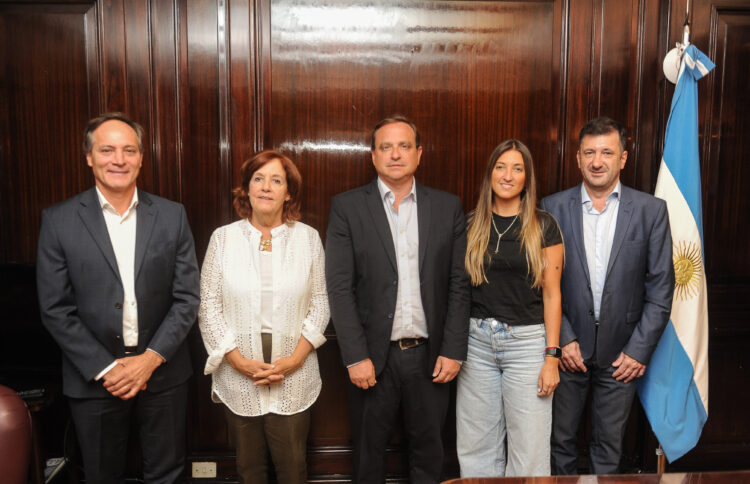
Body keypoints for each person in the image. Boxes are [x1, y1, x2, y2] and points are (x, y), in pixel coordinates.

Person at [36, 112, 200, 483]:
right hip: (94, 379)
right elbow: (55, 309)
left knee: (167, 475)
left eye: (129, 150)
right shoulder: (59, 221)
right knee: (100, 475)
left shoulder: (172, 216)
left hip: (164, 374)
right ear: (89, 157)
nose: (119, 160)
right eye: (107, 150)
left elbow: (187, 297)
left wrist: (149, 360)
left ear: (142, 158)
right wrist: (109, 369)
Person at [325, 114, 470, 483]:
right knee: (369, 456)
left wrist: (453, 350)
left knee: (429, 453)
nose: (395, 155)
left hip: (430, 357)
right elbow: (340, 288)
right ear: (372, 156)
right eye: (385, 147)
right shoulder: (347, 207)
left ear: (418, 154)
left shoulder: (447, 207)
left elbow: (458, 283)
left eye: (404, 146)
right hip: (373, 359)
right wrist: (355, 356)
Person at [540, 117, 674, 474]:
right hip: (567, 353)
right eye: (589, 153)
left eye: (606, 153)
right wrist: (562, 339)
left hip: (623, 356)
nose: (597, 161)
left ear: (624, 158)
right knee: (560, 445)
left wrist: (638, 350)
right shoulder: (551, 208)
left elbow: (662, 288)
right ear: (577, 159)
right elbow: (540, 283)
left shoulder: (651, 211)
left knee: (609, 450)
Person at [198, 150, 329, 484]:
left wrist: (296, 359)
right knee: (249, 469)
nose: (266, 187)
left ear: (288, 192)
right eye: (258, 179)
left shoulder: (309, 238)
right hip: (239, 368)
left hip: (294, 369)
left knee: (293, 469)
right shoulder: (223, 238)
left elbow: (321, 302)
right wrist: (237, 360)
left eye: (276, 180)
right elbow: (208, 305)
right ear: (246, 189)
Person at [456, 139, 564, 477]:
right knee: (476, 447)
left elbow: (553, 295)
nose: (508, 175)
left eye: (517, 168)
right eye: (501, 167)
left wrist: (551, 358)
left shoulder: (544, 225)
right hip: (476, 344)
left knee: (529, 448)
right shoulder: (471, 223)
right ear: (490, 174)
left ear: (526, 178)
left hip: (527, 345)